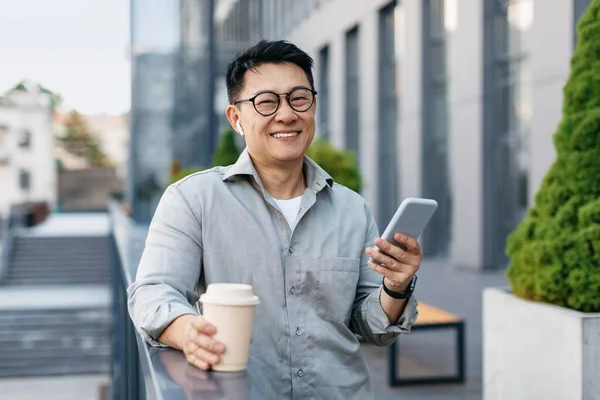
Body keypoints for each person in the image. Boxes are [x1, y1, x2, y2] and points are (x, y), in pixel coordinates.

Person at [128, 39, 421, 399]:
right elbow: (153, 292)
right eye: (266, 102)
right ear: (236, 118)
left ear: (313, 106)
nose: (286, 114)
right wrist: (187, 331)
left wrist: (397, 286)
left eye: (299, 98)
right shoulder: (193, 200)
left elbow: (372, 326)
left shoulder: (352, 209)